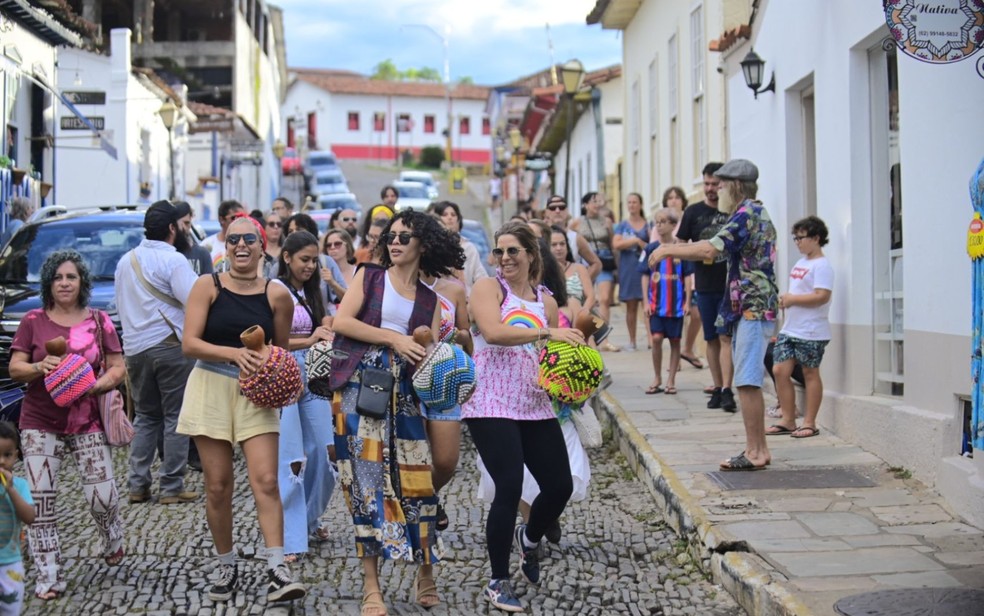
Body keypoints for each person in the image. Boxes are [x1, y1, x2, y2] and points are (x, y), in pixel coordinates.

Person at [329, 210, 455, 615]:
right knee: (365, 484)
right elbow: (342, 322)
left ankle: (426, 570)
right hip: (357, 391)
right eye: (391, 236)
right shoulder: (369, 276)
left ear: (424, 245)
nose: (395, 241)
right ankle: (371, 586)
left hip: (405, 397)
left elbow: (427, 357)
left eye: (405, 236)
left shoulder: (431, 300)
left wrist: (425, 350)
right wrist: (393, 339)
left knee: (417, 480)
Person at [177, 214, 306, 603]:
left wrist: (271, 370)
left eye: (249, 238)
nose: (241, 246)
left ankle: (277, 569)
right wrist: (234, 353)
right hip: (210, 386)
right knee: (217, 485)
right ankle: (226, 564)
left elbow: (280, 349)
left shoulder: (276, 294)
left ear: (262, 244)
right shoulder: (207, 286)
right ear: (226, 246)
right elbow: (189, 343)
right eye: (233, 240)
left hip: (255, 395)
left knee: (266, 480)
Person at [463, 222, 582, 612]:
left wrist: (571, 377)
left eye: (513, 250)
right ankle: (498, 581)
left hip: (533, 403)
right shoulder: (488, 289)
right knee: (509, 486)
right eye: (500, 251)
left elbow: (547, 356)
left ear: (532, 254)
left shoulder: (544, 301)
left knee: (560, 484)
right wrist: (547, 333)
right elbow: (493, 333)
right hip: (490, 401)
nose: (505, 258)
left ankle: (528, 539)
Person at [8, 250, 126, 599]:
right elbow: (15, 367)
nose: (64, 283)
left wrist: (96, 384)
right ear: (49, 282)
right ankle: (49, 576)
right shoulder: (32, 320)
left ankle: (112, 536)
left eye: (70, 277)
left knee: (102, 497)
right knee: (41, 501)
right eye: (58, 277)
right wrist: (37, 368)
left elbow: (118, 367)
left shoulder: (98, 320)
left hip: (87, 419)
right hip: (39, 421)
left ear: (81, 282)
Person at [649, 159, 778, 471]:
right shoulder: (752, 212)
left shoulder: (746, 214)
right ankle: (757, 448)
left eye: (720, 185)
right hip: (749, 307)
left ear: (733, 186)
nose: (717, 191)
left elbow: (710, 250)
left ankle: (755, 452)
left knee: (746, 381)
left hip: (753, 307)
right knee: (748, 380)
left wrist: (667, 250)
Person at [115, 201, 200, 506]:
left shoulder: (126, 261)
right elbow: (194, 300)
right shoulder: (173, 260)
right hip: (169, 346)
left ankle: (137, 486)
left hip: (135, 349)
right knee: (176, 417)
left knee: (146, 416)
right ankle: (171, 486)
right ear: (172, 228)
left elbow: (121, 305)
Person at [274, 230, 336, 561]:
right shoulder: (277, 290)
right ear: (287, 258)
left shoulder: (311, 290)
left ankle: (311, 517)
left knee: (327, 454)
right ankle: (290, 535)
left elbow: (318, 325)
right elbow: (275, 341)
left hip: (314, 376)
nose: (311, 266)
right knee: (292, 459)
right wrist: (310, 339)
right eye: (304, 259)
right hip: (285, 374)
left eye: (314, 260)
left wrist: (325, 328)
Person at [676, 163, 737, 411]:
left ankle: (727, 389)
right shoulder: (693, 212)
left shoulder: (733, 211)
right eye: (707, 184)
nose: (711, 189)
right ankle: (717, 385)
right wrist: (696, 256)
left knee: (726, 336)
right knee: (711, 337)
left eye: (715, 184)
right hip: (705, 283)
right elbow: (680, 245)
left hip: (730, 284)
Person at [766, 216, 833, 439]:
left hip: (812, 330)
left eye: (801, 238)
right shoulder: (801, 263)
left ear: (816, 238)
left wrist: (793, 299)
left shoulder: (822, 265)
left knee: (810, 373)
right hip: (791, 328)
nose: (798, 242)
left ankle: (810, 422)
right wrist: (786, 301)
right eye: (795, 238)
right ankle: (788, 418)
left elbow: (822, 296)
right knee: (779, 370)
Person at [639, 208, 694, 395]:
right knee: (656, 339)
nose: (660, 225)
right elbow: (645, 276)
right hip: (656, 304)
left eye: (664, 222)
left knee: (675, 341)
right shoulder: (650, 248)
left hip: (676, 305)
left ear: (673, 225)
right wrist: (646, 302)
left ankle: (671, 380)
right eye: (657, 222)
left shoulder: (681, 249)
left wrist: (687, 301)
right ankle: (657, 376)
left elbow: (687, 276)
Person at [572, 192, 618, 352]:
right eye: (593, 201)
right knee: (587, 299)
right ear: (585, 205)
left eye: (599, 201)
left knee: (604, 299)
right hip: (585, 264)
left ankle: (604, 339)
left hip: (605, 261)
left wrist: (617, 266)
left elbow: (612, 244)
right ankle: (587, 336)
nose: (597, 204)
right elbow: (570, 241)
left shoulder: (606, 221)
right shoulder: (577, 223)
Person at [0, 421, 35, 613]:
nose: (1, 461)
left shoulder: (20, 486)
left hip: (10, 564)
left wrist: (11, 489)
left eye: (7, 455)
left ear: (16, 455)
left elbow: (30, 517)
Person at [613, 192, 651, 351]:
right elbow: (616, 244)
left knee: (647, 303)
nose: (632, 205)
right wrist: (635, 241)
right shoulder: (622, 225)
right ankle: (632, 340)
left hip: (644, 267)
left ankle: (650, 339)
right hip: (628, 267)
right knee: (631, 305)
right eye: (629, 202)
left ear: (640, 204)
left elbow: (652, 243)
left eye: (634, 202)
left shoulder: (648, 224)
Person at [430, 200, 488, 294]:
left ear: (458, 220)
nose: (450, 218)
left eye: (453, 215)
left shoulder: (468, 247)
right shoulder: (431, 247)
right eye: (445, 215)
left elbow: (481, 277)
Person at [542, 195, 601, 281]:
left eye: (562, 207)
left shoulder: (575, 237)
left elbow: (596, 264)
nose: (557, 211)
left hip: (570, 289)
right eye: (553, 208)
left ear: (567, 211)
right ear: (546, 212)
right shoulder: (540, 234)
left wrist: (581, 284)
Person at [549, 226, 595, 317]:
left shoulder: (579, 268)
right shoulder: (542, 270)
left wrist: (584, 311)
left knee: (573, 302)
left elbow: (591, 297)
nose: (559, 248)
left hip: (578, 315)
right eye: (554, 245)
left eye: (562, 244)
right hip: (554, 316)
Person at [202, 200, 245, 272]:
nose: (239, 222)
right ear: (221, 219)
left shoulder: (246, 245)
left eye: (243, 218)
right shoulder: (206, 245)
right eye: (234, 218)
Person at [173, 201, 213, 275]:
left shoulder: (202, 254)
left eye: (187, 223)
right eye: (179, 223)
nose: (183, 228)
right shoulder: (164, 254)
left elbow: (209, 284)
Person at [322, 229, 355, 302]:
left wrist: (333, 283)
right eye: (328, 245)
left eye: (337, 244)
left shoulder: (359, 271)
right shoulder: (322, 272)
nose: (332, 247)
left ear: (348, 245)